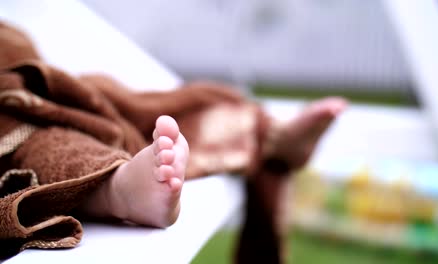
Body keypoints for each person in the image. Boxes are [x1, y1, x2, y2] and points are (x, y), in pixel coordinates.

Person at [0, 21, 346, 263]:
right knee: (47, 145)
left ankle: (270, 137)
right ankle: (119, 188)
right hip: (26, 119)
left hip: (50, 87)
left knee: (159, 107)